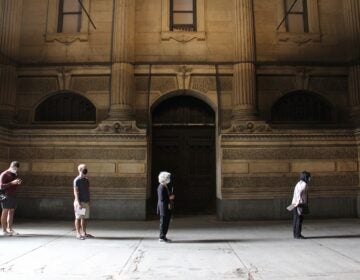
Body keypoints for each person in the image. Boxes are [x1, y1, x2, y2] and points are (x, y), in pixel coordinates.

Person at [0, 161, 22, 236]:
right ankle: (4, 230)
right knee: (5, 211)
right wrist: (12, 183)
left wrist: (17, 182)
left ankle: (10, 229)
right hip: (6, 195)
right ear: (11, 166)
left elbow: (13, 184)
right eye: (14, 168)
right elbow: (1, 186)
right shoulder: (4, 174)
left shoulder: (14, 174)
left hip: (13, 195)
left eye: (16, 169)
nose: (15, 169)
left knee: (11, 211)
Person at [73, 164, 93, 240]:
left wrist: (89, 201)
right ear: (80, 170)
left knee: (84, 218)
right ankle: (78, 233)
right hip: (80, 202)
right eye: (84, 169)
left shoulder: (86, 180)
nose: (86, 170)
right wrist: (78, 202)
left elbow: (88, 191)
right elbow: (76, 192)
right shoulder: (77, 180)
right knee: (78, 218)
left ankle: (84, 232)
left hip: (86, 202)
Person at [291, 171, 311, 239]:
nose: (310, 178)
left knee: (295, 219)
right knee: (299, 219)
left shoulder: (299, 183)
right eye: (309, 177)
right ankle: (298, 235)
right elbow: (300, 194)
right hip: (299, 204)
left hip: (294, 203)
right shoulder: (304, 184)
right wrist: (301, 203)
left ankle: (295, 234)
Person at [157, 171, 175, 242]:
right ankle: (161, 237)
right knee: (163, 223)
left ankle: (164, 236)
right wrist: (170, 198)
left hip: (166, 207)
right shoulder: (161, 187)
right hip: (163, 208)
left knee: (166, 222)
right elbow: (162, 198)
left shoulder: (165, 185)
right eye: (168, 178)